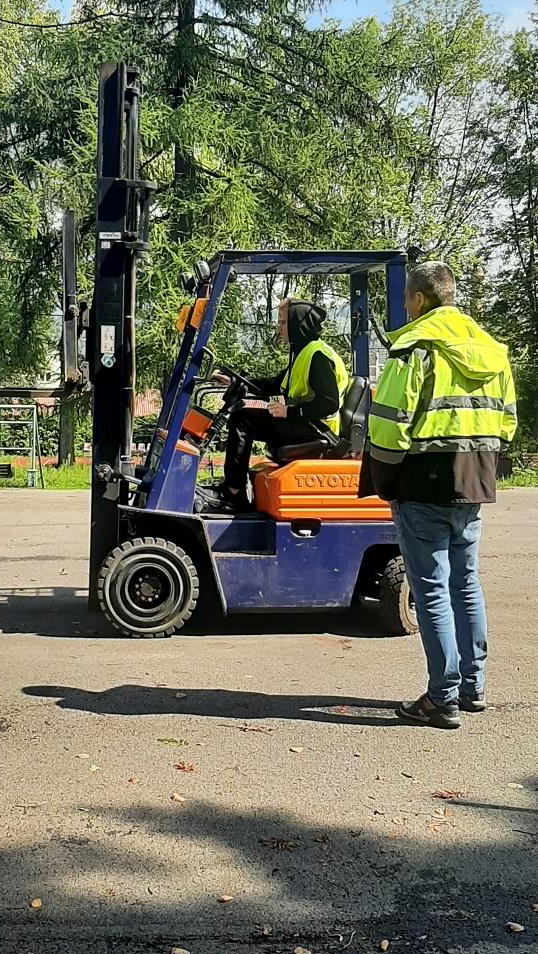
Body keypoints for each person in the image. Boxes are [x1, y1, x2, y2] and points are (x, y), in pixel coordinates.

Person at [360, 261, 517, 730]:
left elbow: (387, 427)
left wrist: (383, 479)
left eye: (407, 297)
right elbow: (506, 423)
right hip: (474, 478)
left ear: (419, 299)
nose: (405, 305)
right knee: (465, 583)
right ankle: (473, 687)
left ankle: (440, 697)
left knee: (430, 589)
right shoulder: (490, 349)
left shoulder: (414, 347)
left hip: (423, 481)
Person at [211, 299, 349, 513]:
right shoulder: (302, 352)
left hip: (317, 428)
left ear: (297, 324)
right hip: (304, 422)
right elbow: (274, 386)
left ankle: (233, 492)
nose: (279, 328)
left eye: (283, 323)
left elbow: (329, 403)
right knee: (244, 411)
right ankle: (235, 488)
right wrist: (235, 381)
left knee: (243, 418)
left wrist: (289, 411)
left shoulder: (317, 356)